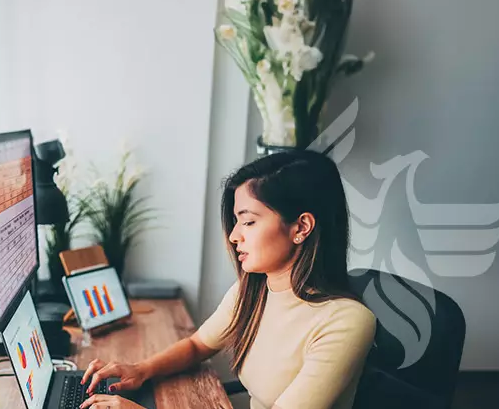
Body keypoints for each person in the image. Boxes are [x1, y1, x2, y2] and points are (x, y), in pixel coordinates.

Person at [79, 150, 377, 409]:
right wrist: (141, 369)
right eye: (236, 221)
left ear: (301, 226)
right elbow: (198, 345)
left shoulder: (346, 322)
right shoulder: (255, 289)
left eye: (248, 221)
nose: (234, 236)